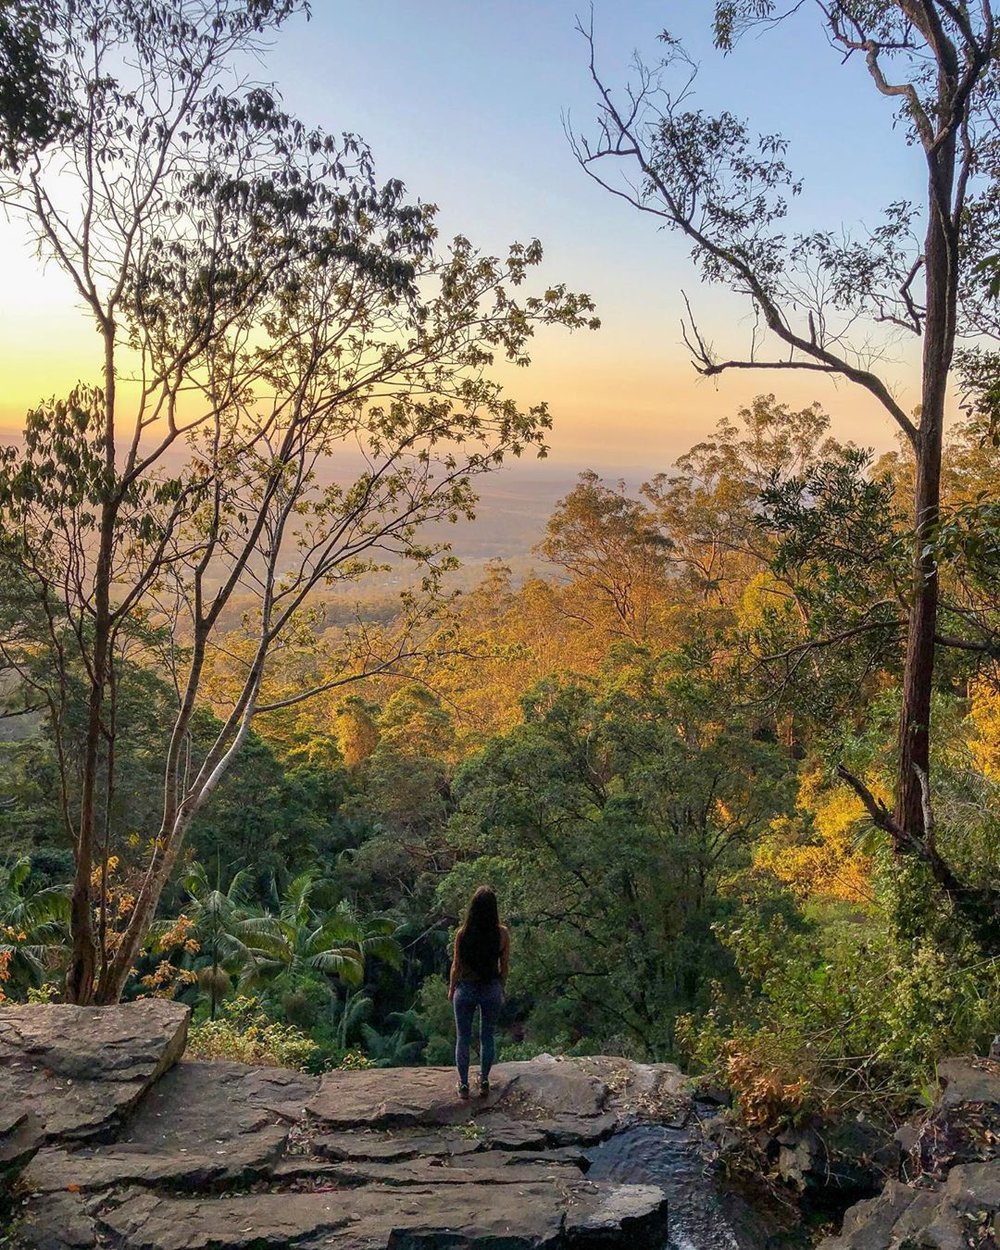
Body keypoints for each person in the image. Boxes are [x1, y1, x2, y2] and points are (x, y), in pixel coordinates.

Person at [448, 885, 510, 1099]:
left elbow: (456, 965)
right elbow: (504, 966)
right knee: (487, 1036)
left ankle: (464, 1085)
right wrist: (501, 987)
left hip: (466, 988)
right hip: (490, 987)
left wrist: (451, 989)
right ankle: (484, 1081)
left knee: (463, 1038)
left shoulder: (463, 934)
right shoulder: (501, 933)